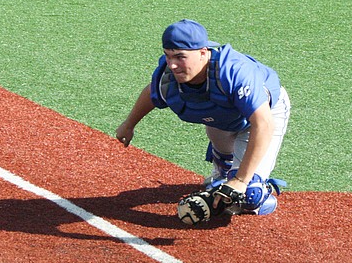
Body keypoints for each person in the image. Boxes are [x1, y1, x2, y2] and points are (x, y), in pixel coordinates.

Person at [115, 19, 290, 221]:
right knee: (224, 179)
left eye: (180, 57)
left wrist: (241, 180)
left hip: (265, 116)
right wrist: (129, 124)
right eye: (168, 55)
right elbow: (152, 94)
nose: (172, 64)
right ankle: (224, 165)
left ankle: (261, 192)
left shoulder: (234, 72)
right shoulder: (168, 78)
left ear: (203, 52)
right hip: (222, 119)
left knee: (247, 194)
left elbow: (263, 123)